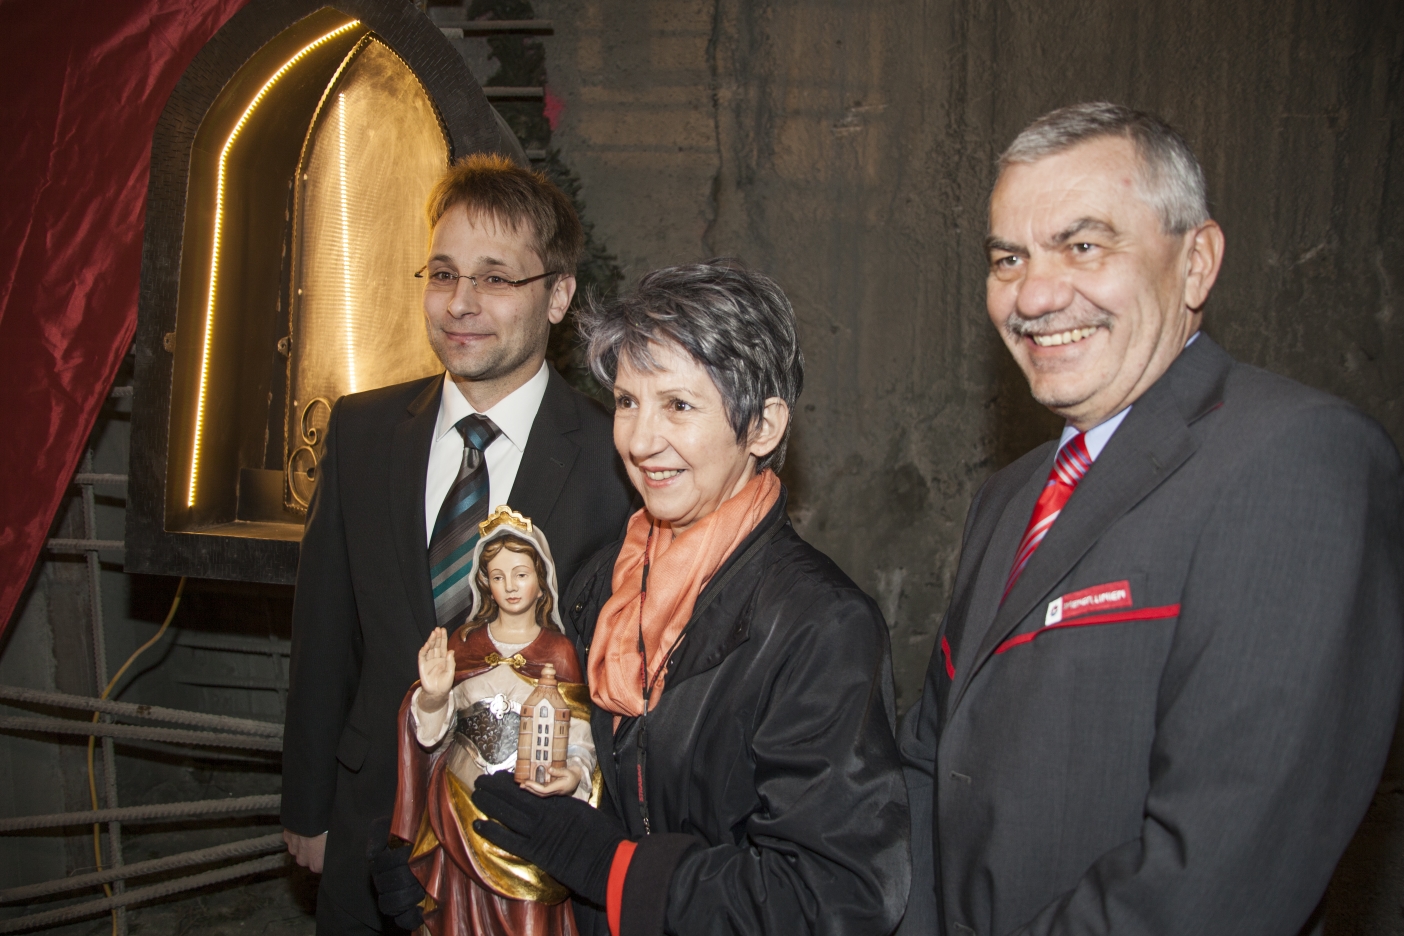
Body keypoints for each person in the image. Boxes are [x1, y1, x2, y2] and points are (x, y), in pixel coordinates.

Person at [898, 102, 1404, 936]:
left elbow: (1220, 871)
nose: (1035, 293)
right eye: (1008, 257)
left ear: (1197, 263)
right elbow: (929, 759)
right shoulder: (1009, 497)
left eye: (1084, 245)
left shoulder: (1296, 460)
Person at [469, 261, 911, 936]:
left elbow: (830, 899)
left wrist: (614, 869)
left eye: (678, 404)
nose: (641, 441)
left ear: (761, 428)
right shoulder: (600, 585)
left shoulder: (819, 625)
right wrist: (456, 873)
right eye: (626, 402)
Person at [281, 153, 634, 934]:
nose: (461, 303)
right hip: (372, 818)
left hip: (526, 849)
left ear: (559, 297)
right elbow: (324, 636)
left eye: (496, 278)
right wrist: (307, 803)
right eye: (443, 274)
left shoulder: (617, 460)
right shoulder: (364, 432)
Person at [389, 506, 596, 936]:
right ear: (484, 582)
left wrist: (573, 773)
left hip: (528, 818)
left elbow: (579, 738)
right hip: (459, 810)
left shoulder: (559, 653)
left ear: (541, 581)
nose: (510, 587)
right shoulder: (464, 644)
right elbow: (433, 736)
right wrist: (432, 695)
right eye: (498, 577)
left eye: (521, 574)